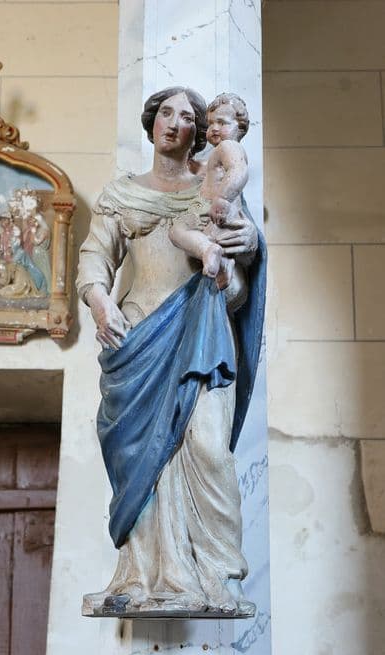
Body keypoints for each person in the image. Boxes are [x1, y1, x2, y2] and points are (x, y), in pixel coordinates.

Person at [77, 87, 265, 616]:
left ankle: (218, 577)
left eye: (186, 117)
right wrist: (99, 303)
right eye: (165, 113)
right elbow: (95, 256)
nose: (173, 123)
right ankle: (140, 576)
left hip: (202, 332)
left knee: (208, 446)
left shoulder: (214, 188)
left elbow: (239, 284)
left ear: (200, 131)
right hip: (138, 335)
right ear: (152, 121)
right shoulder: (122, 194)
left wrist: (243, 252)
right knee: (139, 452)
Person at [169, 93, 249, 286]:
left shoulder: (229, 147)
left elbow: (239, 170)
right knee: (206, 239)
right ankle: (223, 263)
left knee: (177, 230)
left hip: (213, 208)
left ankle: (208, 251)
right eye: (211, 123)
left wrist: (222, 199)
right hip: (213, 208)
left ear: (240, 127)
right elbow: (215, 171)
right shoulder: (220, 151)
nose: (214, 128)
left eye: (222, 123)